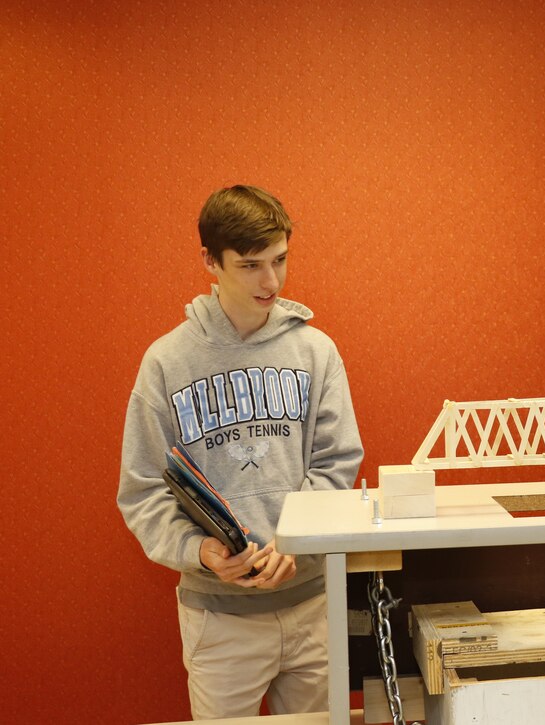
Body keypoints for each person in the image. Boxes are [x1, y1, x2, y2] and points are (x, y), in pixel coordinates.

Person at [117, 185, 364, 717]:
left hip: (313, 606)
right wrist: (197, 551)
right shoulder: (165, 362)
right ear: (210, 261)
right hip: (218, 618)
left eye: (280, 260)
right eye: (251, 265)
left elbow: (336, 462)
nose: (271, 281)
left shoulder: (316, 352)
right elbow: (142, 490)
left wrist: (295, 540)